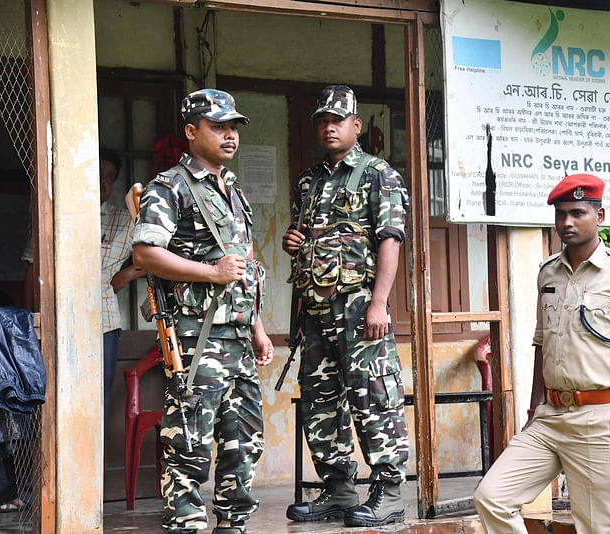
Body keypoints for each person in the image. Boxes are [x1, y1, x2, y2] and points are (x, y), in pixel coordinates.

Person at [473, 173, 610, 534]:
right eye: (561, 214)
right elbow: (542, 343)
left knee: (601, 528)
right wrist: (535, 408)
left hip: (600, 421)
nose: (567, 222)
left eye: (577, 213)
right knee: (492, 497)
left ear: (599, 216)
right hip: (550, 416)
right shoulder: (548, 272)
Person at [132, 89, 273, 534]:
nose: (229, 136)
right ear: (192, 132)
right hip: (196, 338)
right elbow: (144, 254)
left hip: (237, 337)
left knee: (243, 442)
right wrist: (210, 272)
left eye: (233, 127)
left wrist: (258, 327)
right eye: (219, 127)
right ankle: (187, 525)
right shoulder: (170, 187)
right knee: (189, 445)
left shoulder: (233, 191)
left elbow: (244, 264)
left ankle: (234, 525)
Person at [282, 84, 410, 528]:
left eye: (338, 120)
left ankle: (390, 492)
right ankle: (337, 490)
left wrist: (380, 304)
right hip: (315, 313)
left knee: (373, 396)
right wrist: (293, 242)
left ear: (356, 126)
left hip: (359, 311)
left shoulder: (380, 174)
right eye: (323, 120)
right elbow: (311, 241)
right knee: (320, 402)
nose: (329, 127)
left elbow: (390, 241)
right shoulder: (308, 180)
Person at [21, 147, 142, 423]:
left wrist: (121, 278)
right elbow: (32, 269)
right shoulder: (57, 215)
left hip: (104, 324)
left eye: (109, 177)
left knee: (99, 399)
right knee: (56, 395)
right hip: (56, 320)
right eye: (98, 174)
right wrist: (30, 321)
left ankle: (95, 466)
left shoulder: (123, 221)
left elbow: (152, 255)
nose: (103, 182)